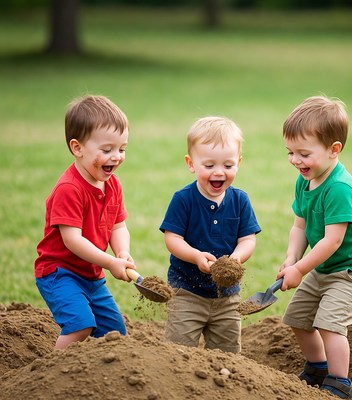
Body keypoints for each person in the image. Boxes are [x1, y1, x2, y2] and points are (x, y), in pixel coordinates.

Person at [277, 95, 352, 399]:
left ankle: (339, 382)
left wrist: (300, 269)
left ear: (334, 150)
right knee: (297, 318)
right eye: (290, 152)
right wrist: (292, 258)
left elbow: (332, 241)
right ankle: (317, 367)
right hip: (324, 268)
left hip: (351, 271)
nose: (296, 160)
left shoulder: (340, 188)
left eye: (304, 153)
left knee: (329, 324)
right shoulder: (304, 180)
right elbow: (300, 225)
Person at [35, 95, 136, 350]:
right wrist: (111, 262)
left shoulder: (112, 184)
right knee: (80, 325)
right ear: (77, 148)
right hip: (60, 273)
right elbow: (72, 240)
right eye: (107, 150)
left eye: (122, 149)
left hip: (92, 275)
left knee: (114, 332)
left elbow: (118, 226)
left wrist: (122, 252)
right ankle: (52, 373)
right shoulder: (69, 189)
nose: (116, 156)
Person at [160, 116, 261, 353]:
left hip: (227, 298)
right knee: (179, 350)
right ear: (191, 163)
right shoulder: (183, 199)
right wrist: (196, 256)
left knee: (227, 354)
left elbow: (248, 239)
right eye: (209, 166)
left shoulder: (240, 200)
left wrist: (236, 259)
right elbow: (172, 238)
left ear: (239, 162)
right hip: (186, 292)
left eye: (228, 165)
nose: (219, 172)